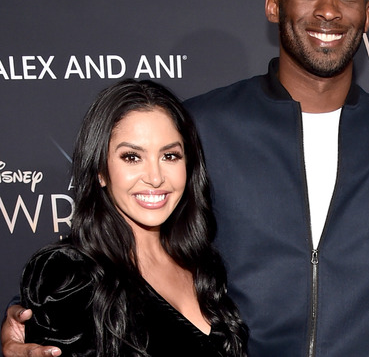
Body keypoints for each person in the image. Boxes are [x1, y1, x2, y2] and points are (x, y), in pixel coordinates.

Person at [3, 0, 369, 357]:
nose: (329, 10)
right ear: (274, 5)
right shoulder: (197, 127)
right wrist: (32, 319)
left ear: (368, 15)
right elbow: (110, 247)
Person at [15, 79, 247, 356]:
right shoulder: (69, 273)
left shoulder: (202, 263)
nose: (155, 177)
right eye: (132, 157)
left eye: (170, 156)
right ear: (100, 170)